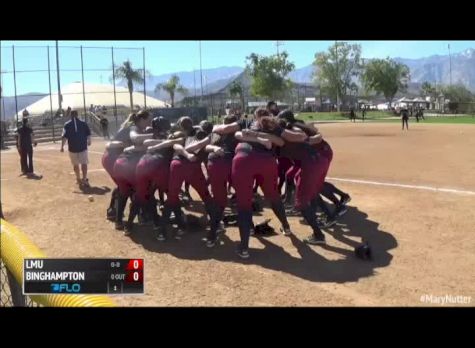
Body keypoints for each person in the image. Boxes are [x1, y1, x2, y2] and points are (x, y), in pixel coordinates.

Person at [60, 109, 92, 187]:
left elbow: (64, 137)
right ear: (77, 115)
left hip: (72, 148)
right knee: (84, 163)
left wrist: (62, 147)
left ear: (70, 115)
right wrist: (89, 141)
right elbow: (88, 133)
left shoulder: (67, 124)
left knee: (75, 164)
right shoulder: (83, 123)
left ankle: (78, 178)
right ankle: (84, 179)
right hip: (82, 147)